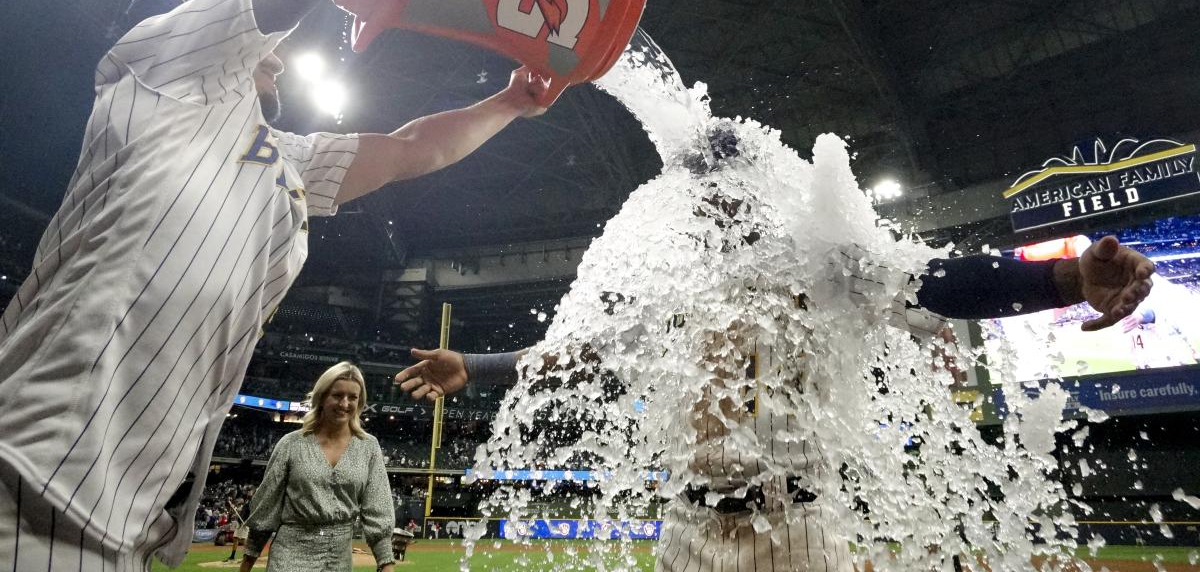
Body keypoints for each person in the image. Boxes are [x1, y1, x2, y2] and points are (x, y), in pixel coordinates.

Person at [0, 0, 551, 568]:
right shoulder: (163, 69)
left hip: (123, 524)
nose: (280, 48)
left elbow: (407, 150)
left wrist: (507, 104)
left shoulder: (278, 157)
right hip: (28, 476)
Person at [394, 128, 1155, 572]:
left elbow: (935, 282)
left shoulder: (828, 261)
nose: (711, 204)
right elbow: (586, 349)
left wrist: (1062, 277)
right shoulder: (681, 281)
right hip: (688, 528)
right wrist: (479, 368)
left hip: (792, 529)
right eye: (698, 191)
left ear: (759, 187)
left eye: (723, 189)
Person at [237, 363, 393, 572]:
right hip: (290, 557)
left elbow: (378, 506)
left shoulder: (368, 446)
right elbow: (266, 505)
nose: (344, 403)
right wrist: (247, 563)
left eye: (352, 397)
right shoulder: (291, 444)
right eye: (337, 395)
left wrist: (386, 563)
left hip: (339, 561)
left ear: (360, 401)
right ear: (321, 397)